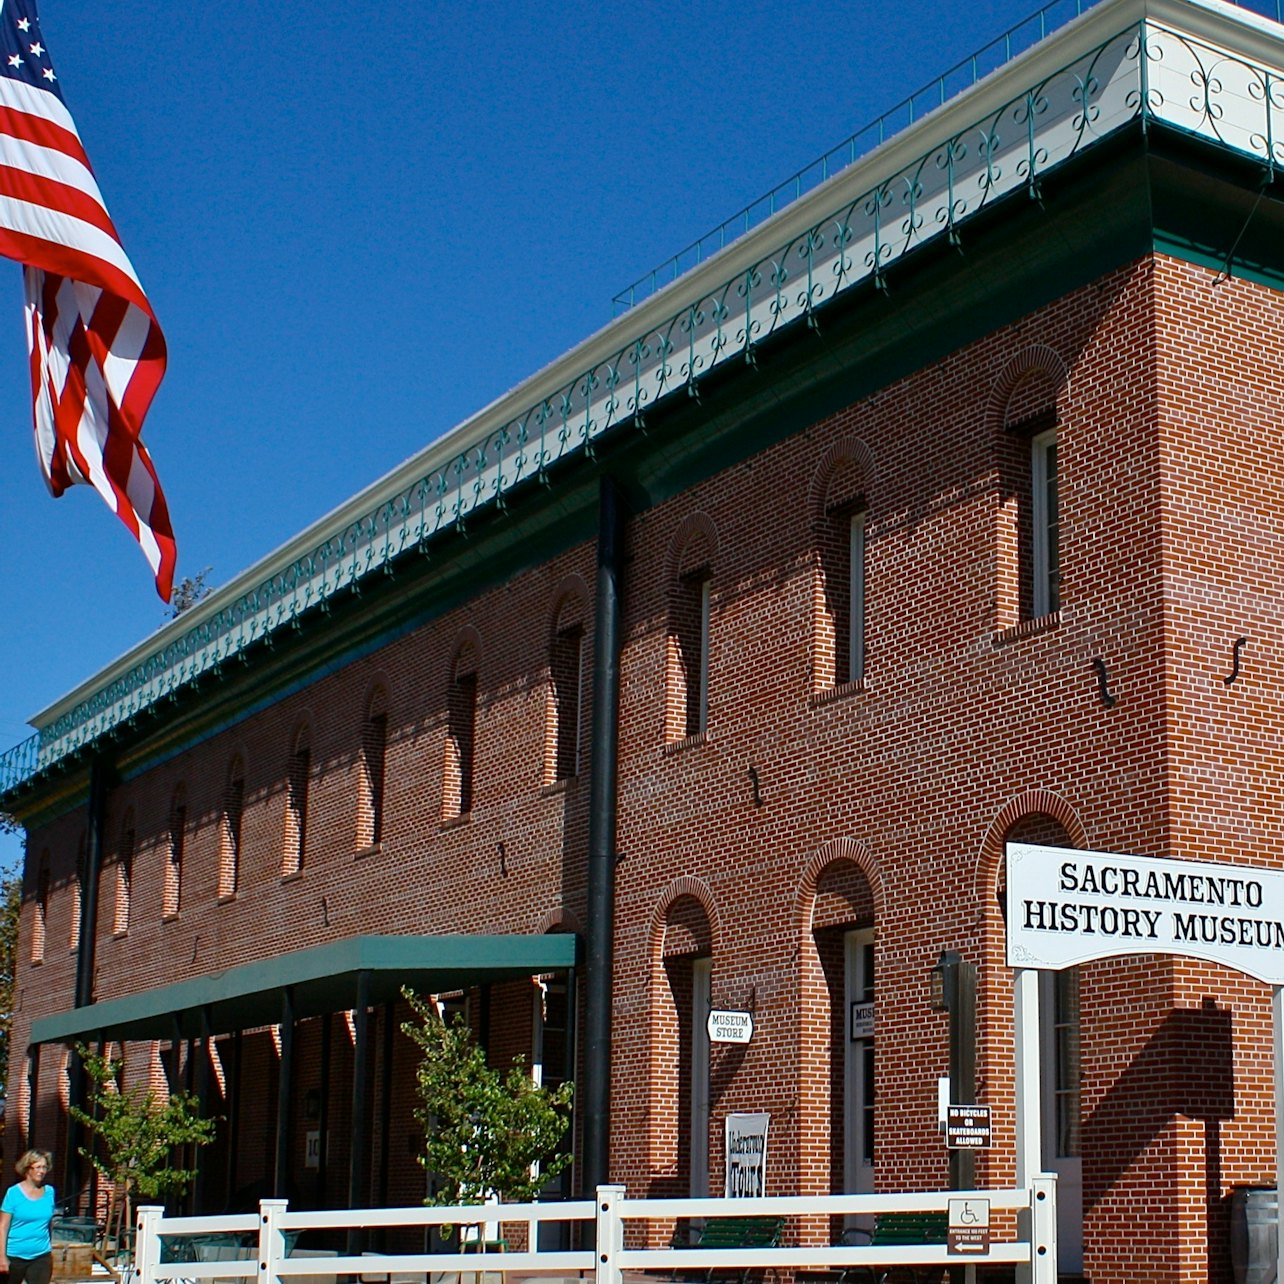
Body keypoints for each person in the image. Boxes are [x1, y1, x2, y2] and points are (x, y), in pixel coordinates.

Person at [0, 1150, 55, 1284]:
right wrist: (2, 1258)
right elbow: (3, 1226)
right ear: (27, 1169)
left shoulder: (49, 1192)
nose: (42, 1171)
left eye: (44, 1167)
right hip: (14, 1255)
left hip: (41, 1255)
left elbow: (49, 1223)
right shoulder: (13, 1193)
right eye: (38, 1167)